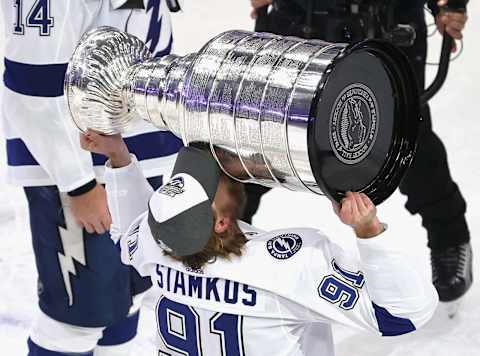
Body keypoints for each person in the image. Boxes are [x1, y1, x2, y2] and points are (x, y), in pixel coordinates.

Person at [80, 130, 438, 356]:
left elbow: (129, 230)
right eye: (210, 183)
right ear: (220, 221)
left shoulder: (159, 246)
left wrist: (119, 159)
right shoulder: (287, 264)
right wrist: (368, 229)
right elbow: (401, 316)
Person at [247, 0, 472, 303]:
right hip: (299, 15)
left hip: (387, 18)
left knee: (405, 137)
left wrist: (451, 5)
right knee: (262, 131)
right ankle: (222, 232)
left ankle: (449, 237)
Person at [1, 0, 183, 355]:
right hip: (84, 171)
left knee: (126, 300)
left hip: (138, 157)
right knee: (77, 319)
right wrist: (77, 183)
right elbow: (33, 86)